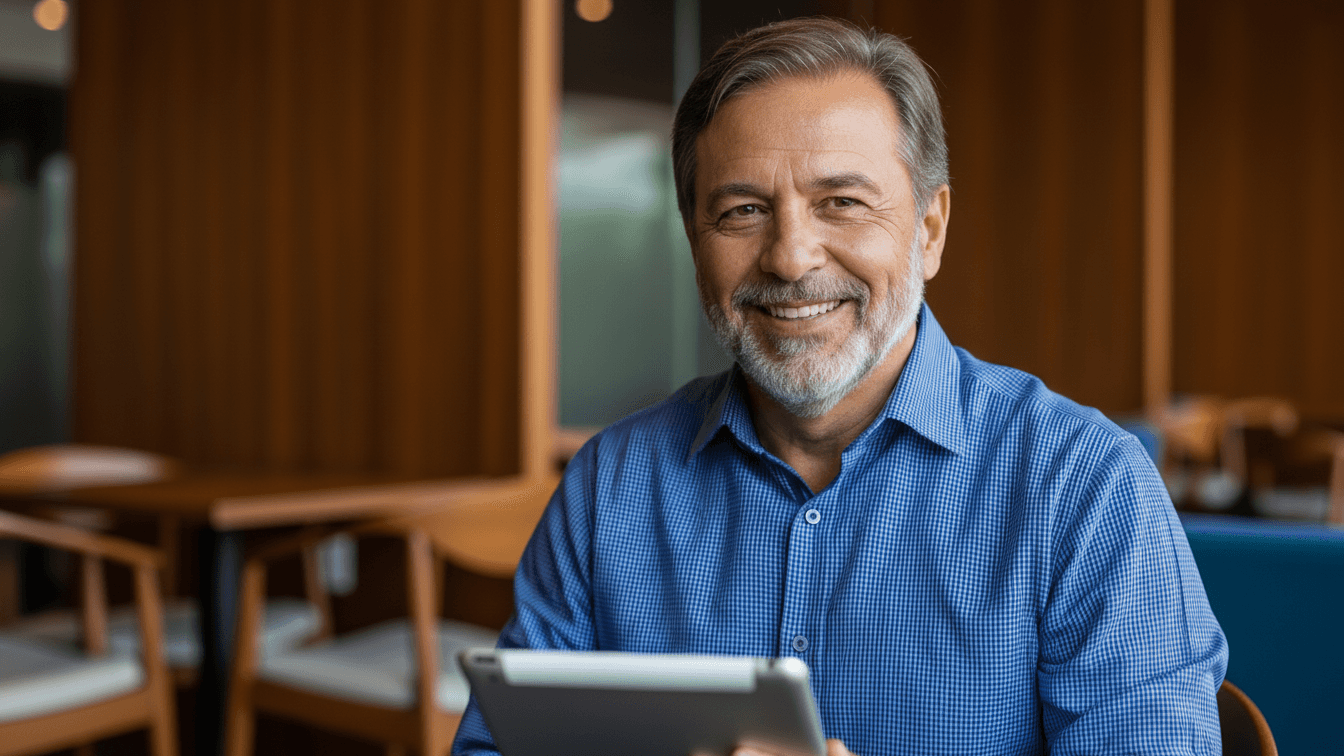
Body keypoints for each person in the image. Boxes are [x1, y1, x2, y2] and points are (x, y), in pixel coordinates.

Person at [453, 16, 1226, 756]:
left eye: (842, 203)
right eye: (743, 210)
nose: (790, 257)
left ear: (929, 230)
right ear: (695, 245)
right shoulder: (608, 489)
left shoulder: (1083, 487)